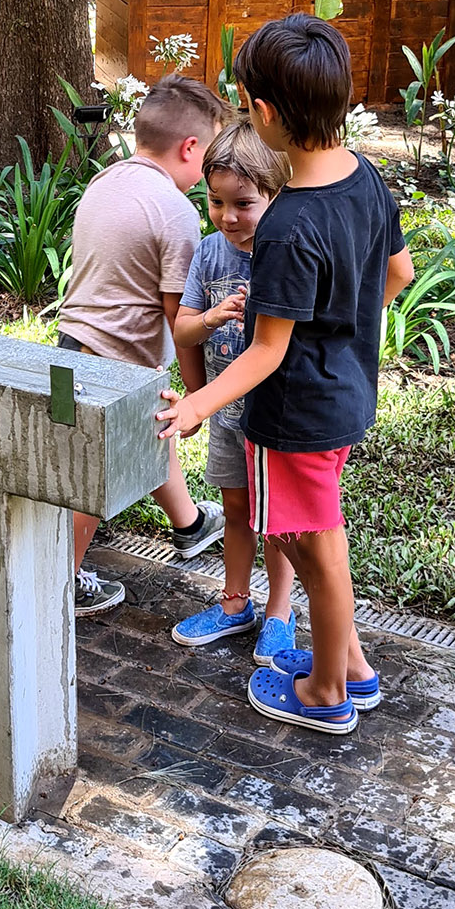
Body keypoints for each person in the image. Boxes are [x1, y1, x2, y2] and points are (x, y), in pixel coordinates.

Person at [156, 15, 414, 735]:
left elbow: (266, 351)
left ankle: (325, 690)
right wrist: (338, 329)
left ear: (264, 112)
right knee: (322, 541)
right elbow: (398, 274)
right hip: (346, 394)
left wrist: (195, 405)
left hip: (294, 415)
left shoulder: (287, 224)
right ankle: (352, 665)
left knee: (313, 546)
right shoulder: (366, 177)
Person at [58, 74, 229, 616]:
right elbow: (179, 319)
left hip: (70, 347)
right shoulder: (175, 210)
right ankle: (61, 583)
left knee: (143, 442)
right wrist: (198, 396)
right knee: (94, 472)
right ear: (191, 149)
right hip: (119, 363)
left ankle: (190, 524)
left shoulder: (105, 181)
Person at [169, 119, 298, 667]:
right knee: (238, 508)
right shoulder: (209, 254)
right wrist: (198, 395)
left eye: (243, 203)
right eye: (215, 202)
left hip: (277, 419)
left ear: (275, 194)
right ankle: (234, 602)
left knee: (279, 521)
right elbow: (182, 330)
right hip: (224, 416)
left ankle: (279, 612)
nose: (227, 216)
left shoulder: (287, 252)